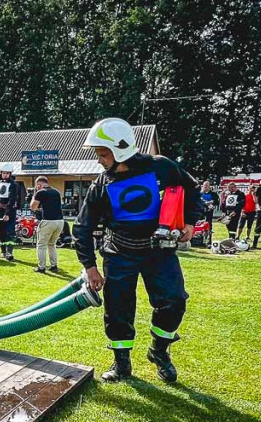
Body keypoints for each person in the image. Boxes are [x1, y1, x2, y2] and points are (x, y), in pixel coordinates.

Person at [73, 118, 202, 384]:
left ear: (121, 148)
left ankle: (159, 351)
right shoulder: (101, 185)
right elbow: (82, 228)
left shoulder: (160, 167)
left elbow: (191, 187)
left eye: (103, 153)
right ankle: (121, 364)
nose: (99, 160)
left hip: (159, 252)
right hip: (119, 253)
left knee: (174, 301)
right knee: (118, 310)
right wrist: (90, 267)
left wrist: (189, 221)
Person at [30, 176, 64, 273]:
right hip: (60, 221)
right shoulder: (56, 192)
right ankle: (54, 266)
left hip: (48, 221)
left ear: (39, 185)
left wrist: (34, 195)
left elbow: (33, 207)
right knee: (52, 244)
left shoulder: (41, 192)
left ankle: (41, 267)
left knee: (41, 245)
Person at [0, 163, 26, 261]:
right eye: (3, 173)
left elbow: (12, 200)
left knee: (10, 231)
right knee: (1, 231)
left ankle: (9, 252)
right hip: (0, 209)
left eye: (7, 173)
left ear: (10, 174)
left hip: (10, 211)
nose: (5, 175)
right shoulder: (0, 183)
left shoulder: (14, 185)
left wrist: (7, 213)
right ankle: (3, 251)